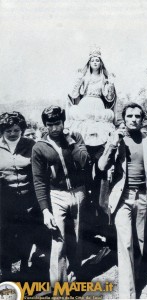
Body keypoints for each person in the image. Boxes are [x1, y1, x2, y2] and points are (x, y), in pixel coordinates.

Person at [98, 103, 147, 299]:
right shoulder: (117, 140)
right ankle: (128, 293)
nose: (133, 119)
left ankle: (134, 279)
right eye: (129, 116)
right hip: (122, 198)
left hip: (143, 196)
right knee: (125, 243)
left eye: (137, 116)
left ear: (143, 119)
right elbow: (102, 166)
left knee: (139, 243)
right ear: (123, 119)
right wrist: (112, 144)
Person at [32, 106, 89, 287]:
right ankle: (59, 289)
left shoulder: (76, 137)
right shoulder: (39, 147)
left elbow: (84, 161)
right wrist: (45, 210)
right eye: (50, 125)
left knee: (79, 239)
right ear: (45, 126)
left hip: (79, 192)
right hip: (56, 195)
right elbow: (39, 180)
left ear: (63, 122)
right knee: (58, 241)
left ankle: (74, 278)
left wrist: (71, 142)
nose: (55, 128)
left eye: (58, 123)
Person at [0, 112, 37, 281]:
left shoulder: (31, 145)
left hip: (29, 201)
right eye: (8, 130)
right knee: (4, 239)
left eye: (16, 130)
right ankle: (6, 274)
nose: (13, 133)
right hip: (5, 203)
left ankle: (25, 269)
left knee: (26, 236)